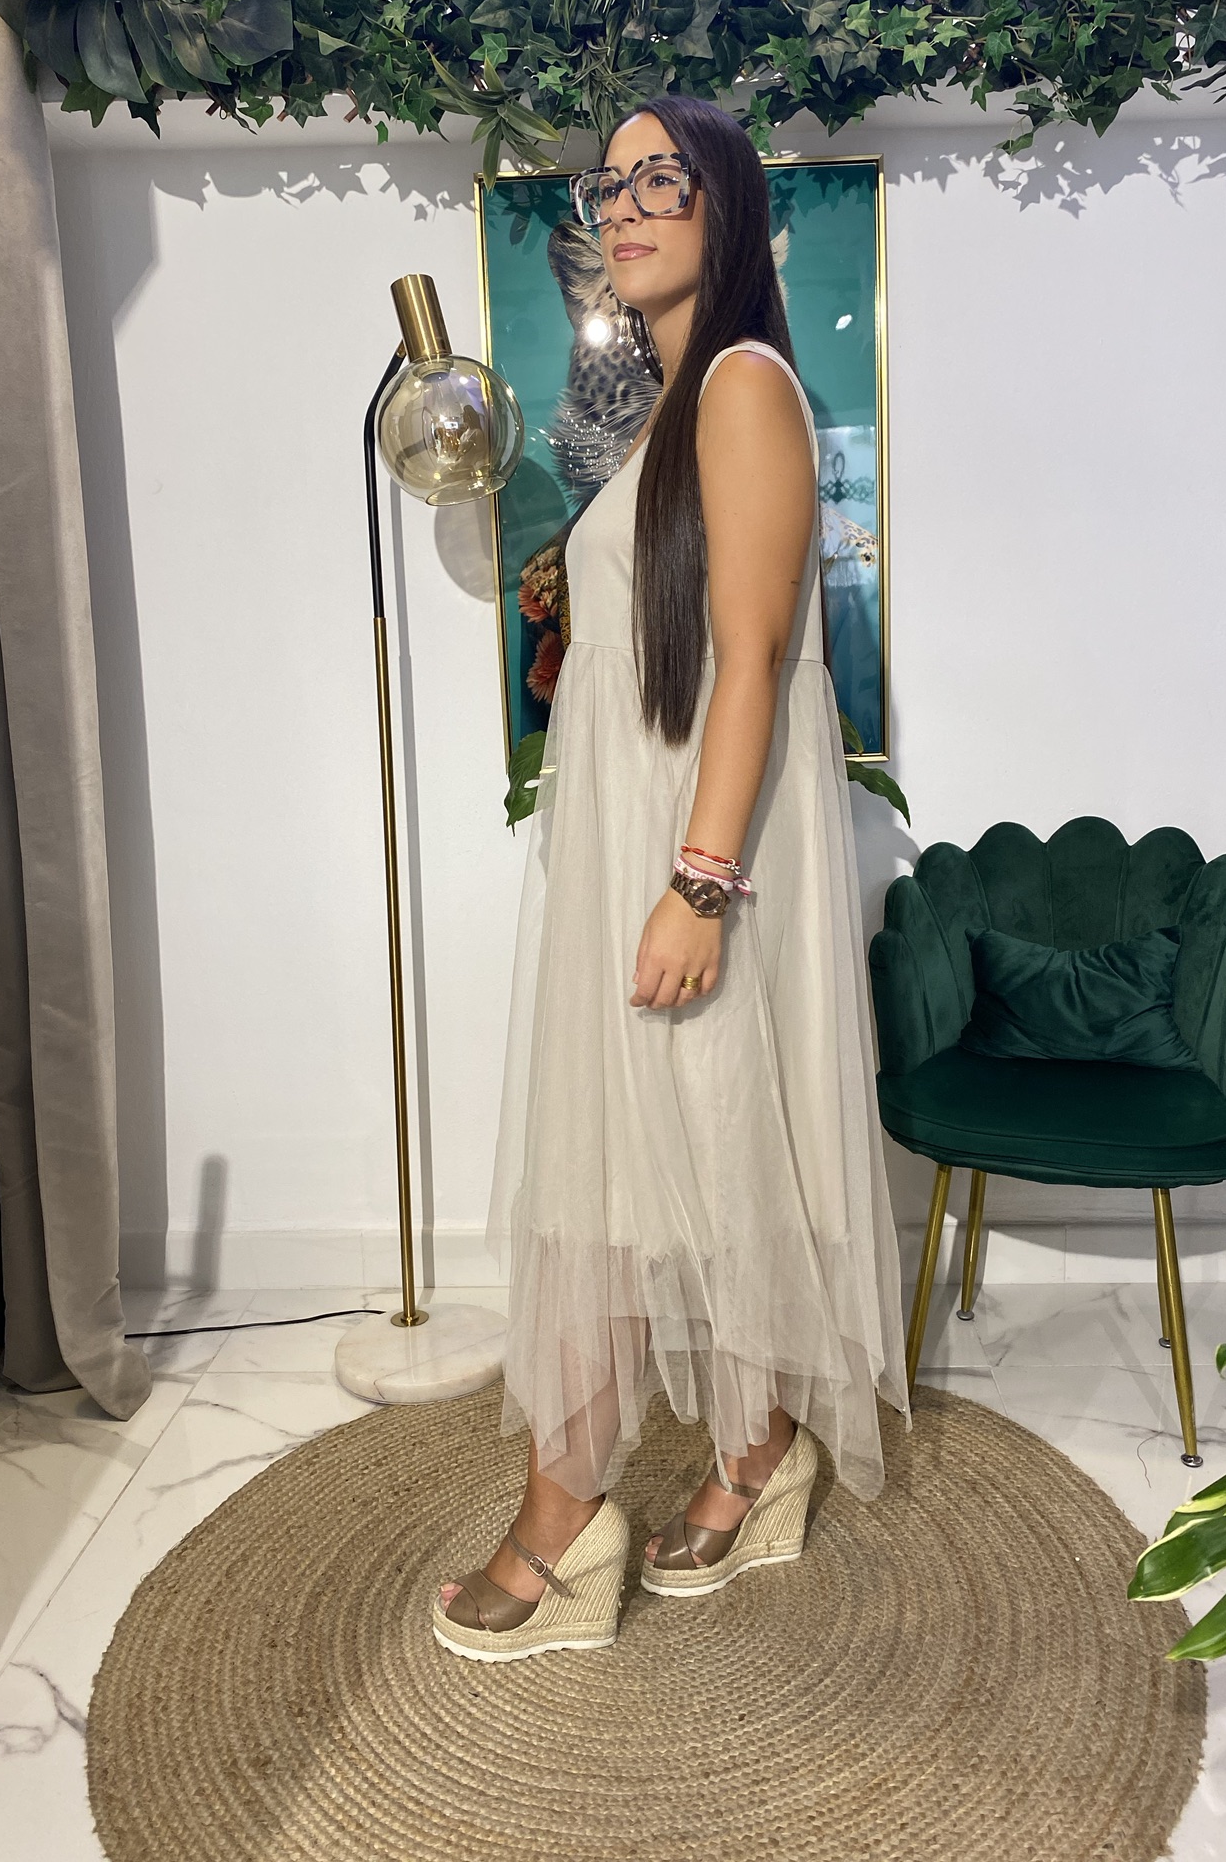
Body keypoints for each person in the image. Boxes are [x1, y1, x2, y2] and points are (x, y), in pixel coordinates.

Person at [433, 93, 910, 1662]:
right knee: (687, 1165)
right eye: (613, 182)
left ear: (728, 208)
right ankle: (757, 1455)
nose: (628, 204)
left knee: (616, 1188)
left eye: (664, 178)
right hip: (649, 852)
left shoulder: (747, 385)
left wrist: (697, 888)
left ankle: (563, 1523)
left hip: (701, 866)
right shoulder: (672, 403)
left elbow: (757, 661)